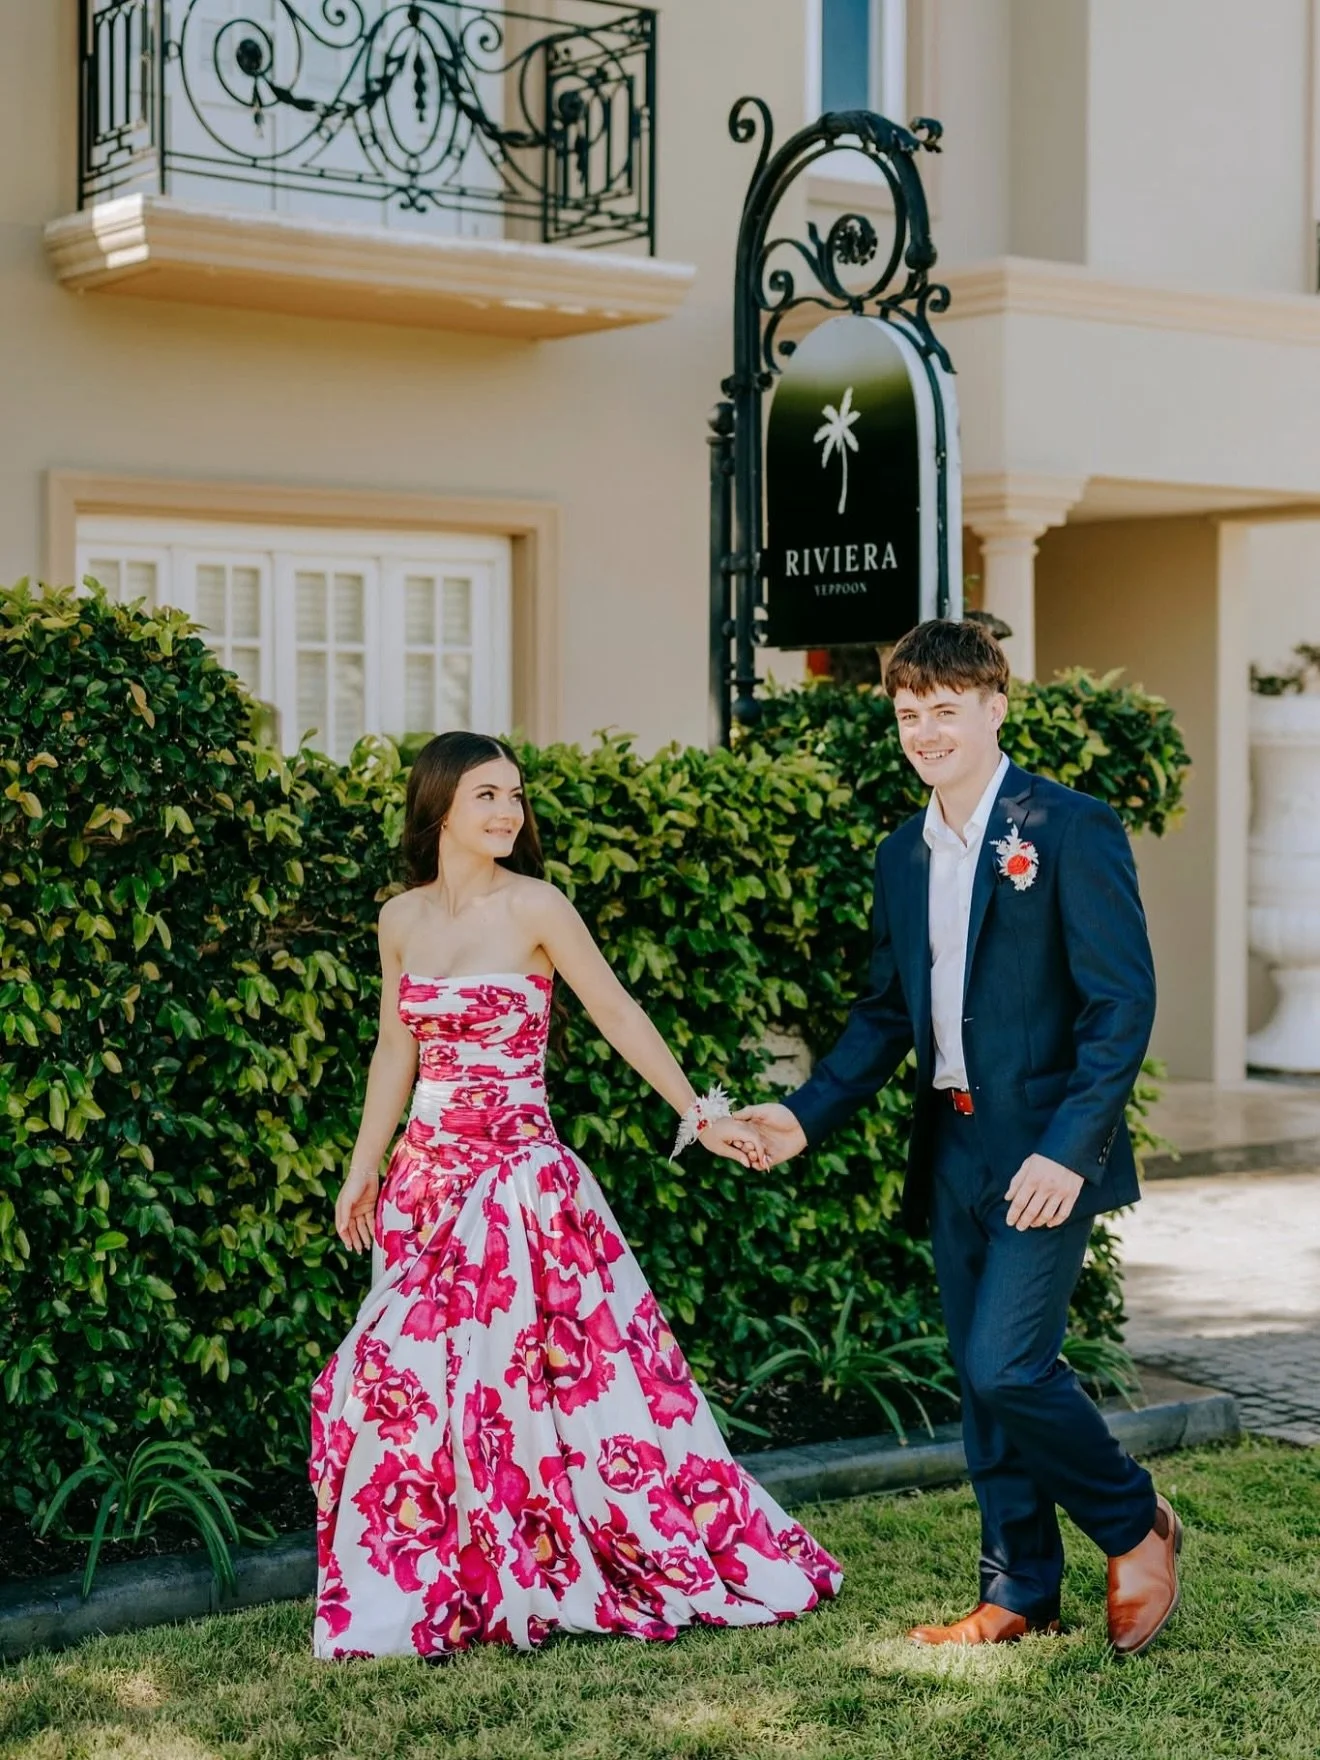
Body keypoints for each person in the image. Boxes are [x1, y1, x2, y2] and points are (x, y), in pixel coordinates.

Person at [309, 731, 840, 1660]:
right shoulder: (401, 919)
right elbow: (396, 1048)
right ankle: (446, 1576)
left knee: (537, 1390)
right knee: (413, 1384)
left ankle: (545, 1561)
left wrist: (698, 1115)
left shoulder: (538, 906)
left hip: (521, 1185)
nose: (509, 812)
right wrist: (365, 1166)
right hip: (426, 1186)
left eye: (516, 795)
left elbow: (618, 1010)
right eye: (487, 795)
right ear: (439, 805)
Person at [738, 619, 1181, 1656]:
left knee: (1009, 1364)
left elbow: (1121, 1003)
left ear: (994, 706)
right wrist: (802, 1117)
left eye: (945, 709)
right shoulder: (904, 851)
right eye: (908, 714)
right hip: (956, 1148)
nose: (925, 730)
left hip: (1046, 1153)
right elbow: (889, 1011)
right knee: (982, 1385)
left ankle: (1136, 1521)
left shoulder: (1068, 826)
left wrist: (1071, 1149)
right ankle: (1018, 1585)